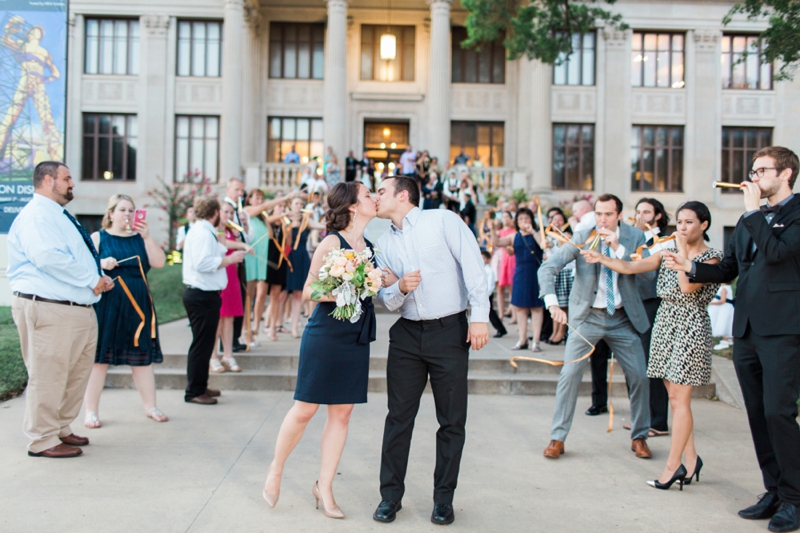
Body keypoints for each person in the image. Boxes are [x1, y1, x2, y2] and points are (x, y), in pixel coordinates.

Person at [664, 146, 800, 532]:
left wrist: (754, 212)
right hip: (747, 330)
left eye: (762, 171)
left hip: (784, 329)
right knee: (757, 414)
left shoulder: (794, 213)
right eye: (753, 171)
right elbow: (730, 268)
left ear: (786, 173)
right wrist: (690, 265)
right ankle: (773, 490)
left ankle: (795, 498)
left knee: (778, 412)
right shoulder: (749, 219)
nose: (753, 177)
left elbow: (776, 254)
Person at [373, 175, 489, 526]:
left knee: (452, 421)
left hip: (449, 333)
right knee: (398, 419)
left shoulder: (442, 220)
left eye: (380, 191)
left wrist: (479, 317)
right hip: (406, 336)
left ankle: (443, 500)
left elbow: (474, 267)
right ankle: (390, 497)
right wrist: (401, 288)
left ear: (403, 195)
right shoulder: (381, 243)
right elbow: (387, 299)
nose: (375, 197)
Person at [583, 202, 722, 491]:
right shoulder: (667, 251)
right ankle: (692, 458)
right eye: (680, 222)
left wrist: (682, 252)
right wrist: (601, 258)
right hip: (664, 322)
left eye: (689, 223)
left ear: (704, 225)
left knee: (679, 400)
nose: (682, 228)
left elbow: (687, 287)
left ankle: (673, 467)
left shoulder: (712, 259)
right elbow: (631, 266)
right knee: (673, 396)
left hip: (690, 325)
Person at [262, 182, 379, 518]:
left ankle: (324, 487)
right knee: (305, 409)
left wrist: (380, 281)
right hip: (326, 334)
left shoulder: (369, 246)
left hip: (356, 335)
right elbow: (309, 291)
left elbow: (370, 289)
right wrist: (349, 289)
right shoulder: (332, 241)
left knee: (341, 414)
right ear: (354, 206)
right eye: (368, 194)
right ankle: (276, 468)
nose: (374, 198)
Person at [7, 161, 113, 458]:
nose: (72, 184)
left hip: (76, 307)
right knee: (49, 374)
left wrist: (97, 279)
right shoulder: (37, 215)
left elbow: (72, 258)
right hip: (50, 308)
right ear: (48, 180)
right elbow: (47, 258)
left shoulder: (58, 215)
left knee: (74, 374)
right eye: (67, 178)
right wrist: (92, 279)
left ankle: (61, 428)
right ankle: (42, 439)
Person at [538, 194, 653, 460]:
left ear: (619, 216)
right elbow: (548, 268)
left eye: (608, 214)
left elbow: (648, 275)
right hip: (587, 317)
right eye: (599, 214)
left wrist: (620, 251)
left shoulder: (634, 237)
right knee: (569, 376)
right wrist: (553, 303)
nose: (602, 219)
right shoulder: (582, 235)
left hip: (623, 318)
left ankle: (639, 436)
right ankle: (557, 438)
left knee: (639, 376)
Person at [83, 194, 168, 429]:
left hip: (138, 305)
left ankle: (150, 406)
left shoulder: (140, 239)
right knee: (100, 359)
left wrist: (148, 236)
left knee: (141, 357)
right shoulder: (98, 237)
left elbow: (159, 262)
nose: (128, 214)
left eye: (131, 210)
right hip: (108, 304)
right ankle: (91, 411)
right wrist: (101, 265)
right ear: (110, 213)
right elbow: (83, 266)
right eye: (122, 210)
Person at [182, 196, 247, 405]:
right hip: (201, 295)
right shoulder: (201, 233)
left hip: (207, 295)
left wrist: (221, 230)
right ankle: (193, 391)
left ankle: (201, 385)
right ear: (215, 213)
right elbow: (203, 263)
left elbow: (218, 249)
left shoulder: (207, 231)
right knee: (201, 345)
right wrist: (230, 259)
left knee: (206, 342)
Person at [491, 208, 546, 352]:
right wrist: (493, 229)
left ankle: (536, 340)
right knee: (520, 308)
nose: (524, 222)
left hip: (536, 273)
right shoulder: (514, 236)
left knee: (536, 307)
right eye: (520, 219)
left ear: (531, 220)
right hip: (520, 273)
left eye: (526, 218)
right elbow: (497, 241)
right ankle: (522, 339)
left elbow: (543, 245)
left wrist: (532, 231)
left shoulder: (538, 234)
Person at [211, 202, 253, 373]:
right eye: (225, 212)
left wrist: (238, 237)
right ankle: (213, 356)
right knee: (217, 317)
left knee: (229, 317)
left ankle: (228, 355)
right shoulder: (214, 229)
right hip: (220, 271)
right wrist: (241, 245)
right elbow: (223, 246)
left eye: (230, 212)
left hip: (232, 274)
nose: (228, 215)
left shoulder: (230, 229)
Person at [284, 196, 325, 337]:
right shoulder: (285, 220)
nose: (299, 206)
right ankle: (274, 326)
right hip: (288, 257)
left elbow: (320, 226)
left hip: (301, 257)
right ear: (290, 205)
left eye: (301, 203)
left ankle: (295, 327)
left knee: (298, 294)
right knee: (282, 295)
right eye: (296, 203)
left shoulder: (305, 220)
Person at [223, 178, 252, 353]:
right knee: (230, 300)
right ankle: (227, 340)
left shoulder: (241, 212)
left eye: (242, 190)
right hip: (228, 259)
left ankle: (234, 337)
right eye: (236, 190)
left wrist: (245, 224)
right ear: (228, 189)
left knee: (240, 296)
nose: (240, 194)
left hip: (240, 258)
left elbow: (248, 238)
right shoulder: (223, 210)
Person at [545, 207, 573, 345]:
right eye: (554, 219)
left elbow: (564, 249)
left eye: (559, 220)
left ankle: (561, 332)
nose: (556, 222)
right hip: (554, 273)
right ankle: (554, 331)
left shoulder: (566, 235)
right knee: (554, 304)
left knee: (563, 305)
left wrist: (554, 241)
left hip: (565, 271)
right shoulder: (549, 236)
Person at [496, 211, 516, 321]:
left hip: (511, 258)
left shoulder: (513, 232)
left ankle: (514, 315)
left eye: (507, 216)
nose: (505, 219)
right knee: (500, 287)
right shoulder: (498, 232)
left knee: (511, 287)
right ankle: (501, 314)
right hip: (501, 259)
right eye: (503, 217)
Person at [482, 250, 507, 338]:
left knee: (490, 313)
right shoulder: (482, 270)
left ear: (488, 259)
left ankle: (500, 329)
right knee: (487, 313)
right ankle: (500, 329)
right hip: (482, 295)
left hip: (487, 295)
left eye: (484, 258)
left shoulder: (489, 271)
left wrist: (486, 294)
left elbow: (490, 285)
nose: (482, 260)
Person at [708, 283, 734, 350]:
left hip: (724, 308)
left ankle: (725, 341)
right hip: (723, 308)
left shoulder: (724, 288)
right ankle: (727, 340)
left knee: (724, 324)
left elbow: (723, 300)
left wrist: (710, 302)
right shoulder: (725, 287)